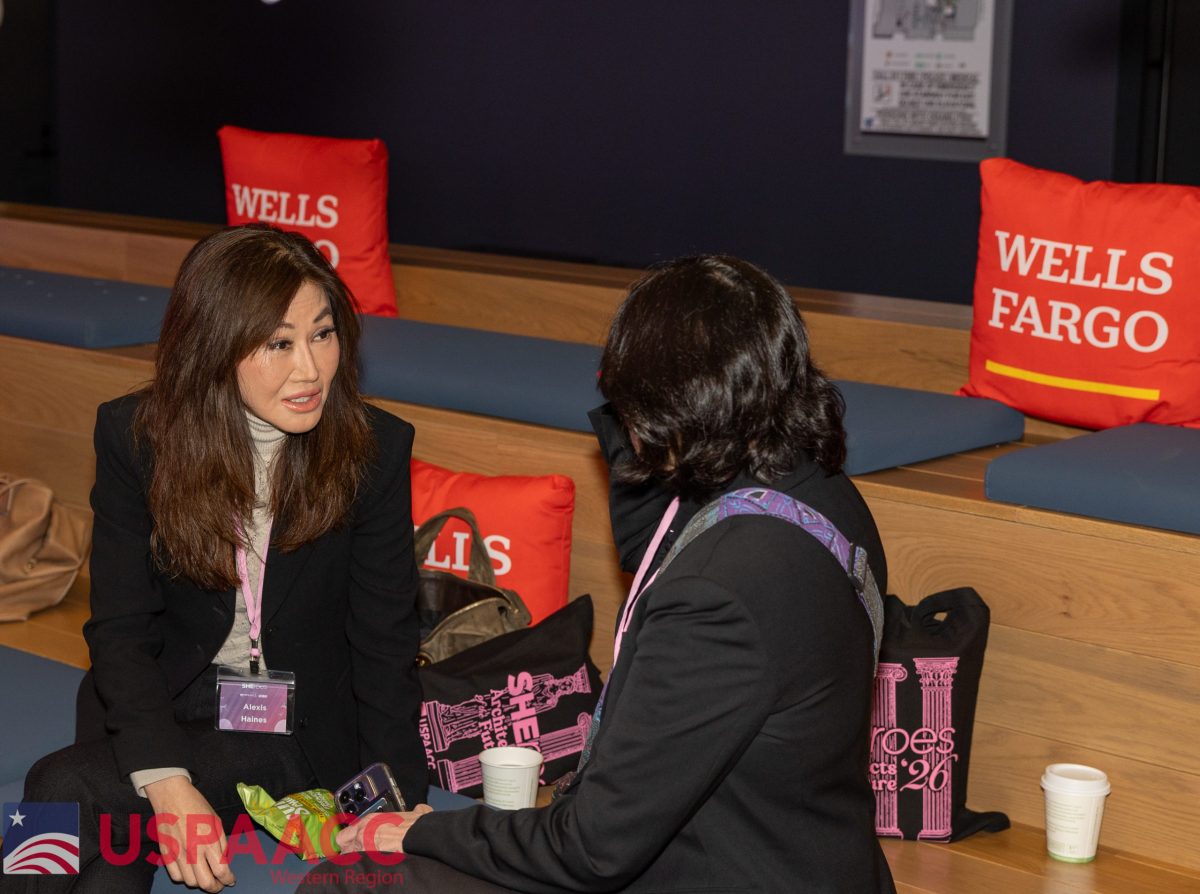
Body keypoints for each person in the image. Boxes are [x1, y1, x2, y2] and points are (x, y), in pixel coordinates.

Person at [303, 255, 896, 892]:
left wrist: (421, 831)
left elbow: (589, 849)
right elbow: (652, 541)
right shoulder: (820, 494)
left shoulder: (716, 596)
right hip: (808, 850)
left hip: (706, 869)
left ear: (664, 408)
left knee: (353, 881)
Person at [14, 225, 427, 894]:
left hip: (295, 730)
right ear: (213, 346)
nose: (310, 369)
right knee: (107, 857)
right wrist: (168, 783)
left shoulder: (372, 451)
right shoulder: (137, 439)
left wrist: (392, 802)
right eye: (278, 344)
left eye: (322, 334)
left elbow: (385, 646)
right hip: (168, 702)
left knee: (60, 785)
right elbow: (121, 630)